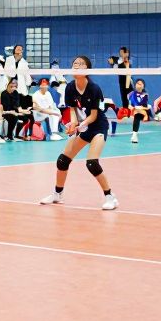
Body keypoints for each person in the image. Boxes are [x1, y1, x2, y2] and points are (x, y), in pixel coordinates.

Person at [39, 56, 118, 210]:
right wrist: (74, 123)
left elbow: (94, 116)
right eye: (75, 64)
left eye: (81, 64)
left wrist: (81, 125)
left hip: (98, 127)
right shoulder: (69, 88)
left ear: (87, 70)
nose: (77, 66)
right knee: (63, 160)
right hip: (83, 127)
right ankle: (57, 194)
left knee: (92, 163)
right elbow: (73, 110)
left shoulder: (94, 88)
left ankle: (110, 197)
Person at [127, 79, 152, 144]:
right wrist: (134, 108)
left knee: (138, 113)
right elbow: (131, 104)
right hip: (134, 111)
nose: (139, 85)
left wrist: (142, 109)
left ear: (143, 86)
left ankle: (134, 135)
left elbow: (145, 106)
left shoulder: (145, 94)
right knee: (137, 115)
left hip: (143, 112)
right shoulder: (131, 94)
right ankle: (134, 135)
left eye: (141, 84)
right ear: (135, 85)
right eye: (137, 83)